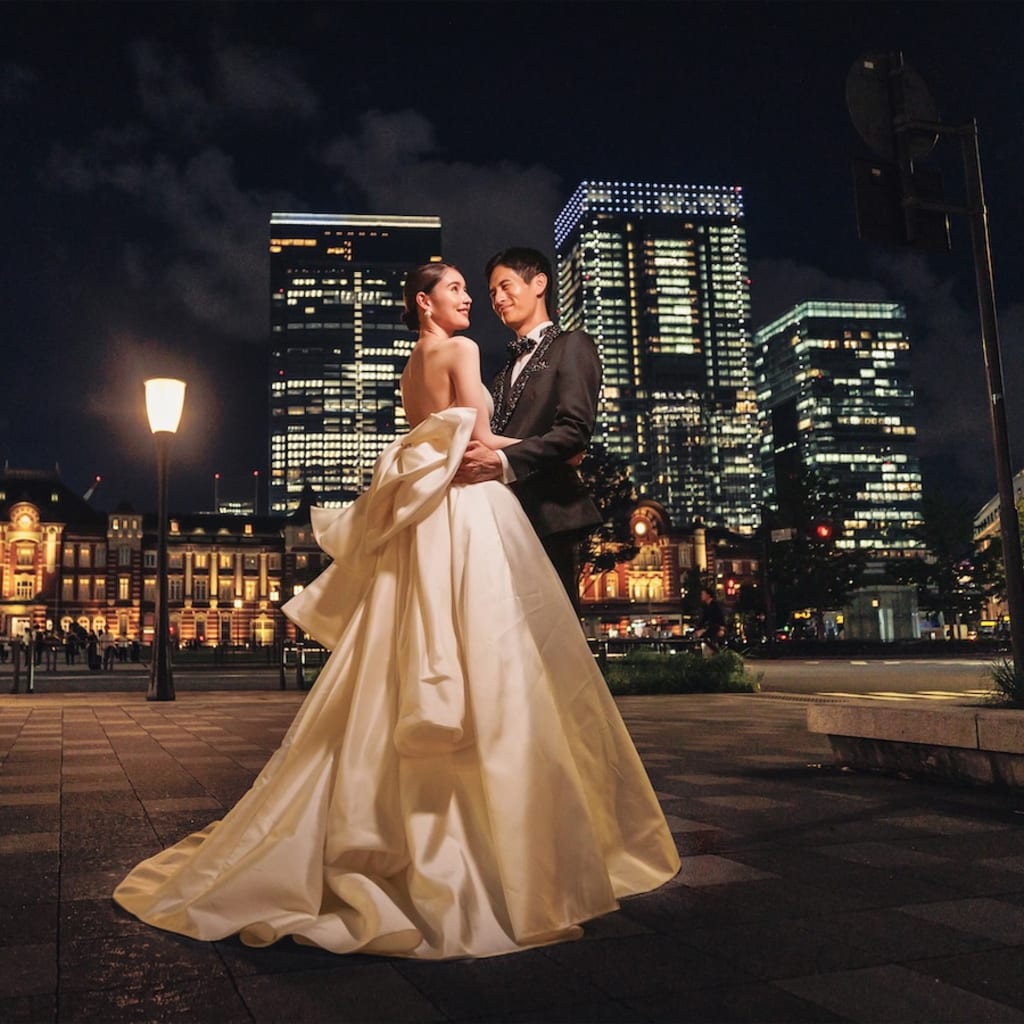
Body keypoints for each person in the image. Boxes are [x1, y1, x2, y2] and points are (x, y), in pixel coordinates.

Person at [112, 262, 679, 961]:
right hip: (470, 506)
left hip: (428, 517)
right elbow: (481, 433)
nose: (476, 298)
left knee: (408, 649)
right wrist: (521, 456)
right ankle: (506, 845)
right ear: (424, 300)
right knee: (493, 655)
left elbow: (430, 433)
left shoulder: (411, 367)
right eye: (460, 289)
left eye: (488, 288)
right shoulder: (468, 352)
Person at [454, 247, 602, 614]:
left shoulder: (573, 345)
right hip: (500, 519)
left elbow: (574, 433)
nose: (498, 299)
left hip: (550, 515)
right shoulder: (501, 373)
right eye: (491, 294)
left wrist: (502, 461)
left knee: (555, 640)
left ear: (539, 283)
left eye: (505, 286)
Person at [693, 587, 727, 651]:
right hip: (710, 628)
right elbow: (703, 620)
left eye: (703, 594)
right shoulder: (705, 607)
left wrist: (721, 629)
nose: (701, 596)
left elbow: (720, 618)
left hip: (715, 628)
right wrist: (697, 629)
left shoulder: (715, 605)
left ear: (708, 595)